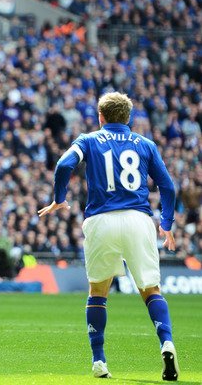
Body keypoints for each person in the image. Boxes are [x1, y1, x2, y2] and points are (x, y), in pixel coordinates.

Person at [37, 92, 179, 381]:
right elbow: (168, 186)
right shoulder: (145, 144)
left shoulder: (88, 140)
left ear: (100, 116)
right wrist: (166, 222)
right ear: (128, 118)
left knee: (98, 292)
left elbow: (64, 164)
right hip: (139, 219)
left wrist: (58, 198)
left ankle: (99, 360)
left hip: (101, 220)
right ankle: (166, 341)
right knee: (151, 290)